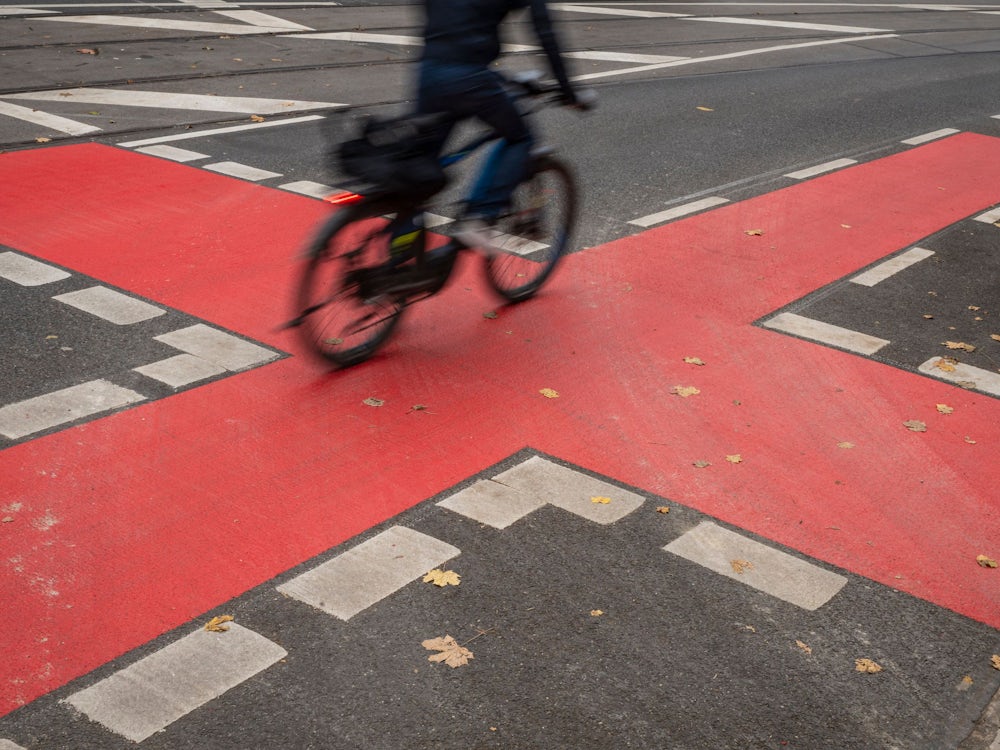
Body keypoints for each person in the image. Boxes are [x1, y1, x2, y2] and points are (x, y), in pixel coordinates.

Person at [390, 0, 580, 260]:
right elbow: (543, 29)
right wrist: (567, 90)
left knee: (421, 168)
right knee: (521, 138)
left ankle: (396, 266)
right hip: (470, 77)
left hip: (429, 72)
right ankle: (480, 216)